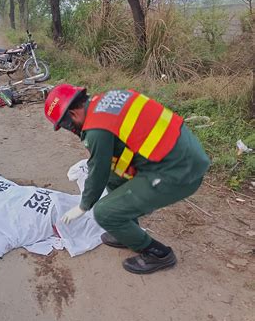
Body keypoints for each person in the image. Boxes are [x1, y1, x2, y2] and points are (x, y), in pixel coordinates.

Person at [44, 84, 210, 275]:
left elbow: (98, 171)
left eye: (65, 125)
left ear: (72, 114)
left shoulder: (96, 129)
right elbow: (106, 162)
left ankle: (157, 254)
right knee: (113, 175)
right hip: (181, 155)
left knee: (104, 212)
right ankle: (127, 232)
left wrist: (83, 206)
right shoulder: (106, 100)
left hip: (178, 173)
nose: (71, 130)